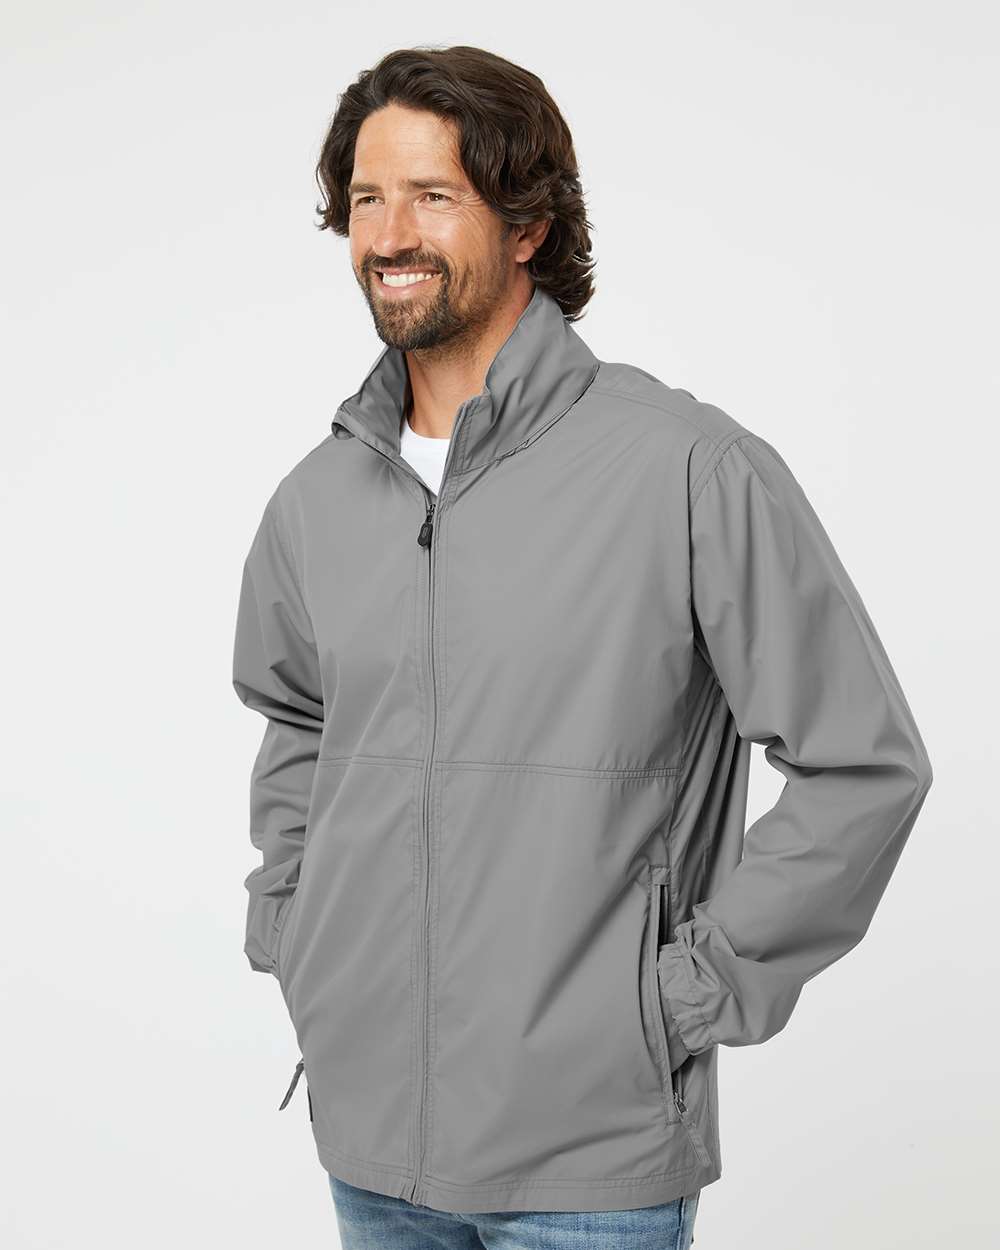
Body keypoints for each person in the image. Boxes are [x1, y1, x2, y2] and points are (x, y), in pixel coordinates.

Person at [231, 44, 933, 1250]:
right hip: (368, 1140)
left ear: (529, 225)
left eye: (433, 195)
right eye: (367, 197)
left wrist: (680, 999)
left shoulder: (685, 469)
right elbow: (298, 722)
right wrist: (294, 928)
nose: (388, 234)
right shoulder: (317, 499)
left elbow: (863, 763)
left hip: (591, 1161)